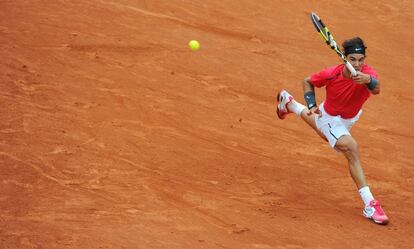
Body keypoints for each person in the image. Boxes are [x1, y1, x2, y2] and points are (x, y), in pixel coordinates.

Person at [276, 37, 389, 225]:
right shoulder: (332, 74)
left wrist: (367, 80)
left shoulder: (368, 73)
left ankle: (290, 105)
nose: (357, 64)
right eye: (352, 59)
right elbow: (307, 81)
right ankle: (371, 204)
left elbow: (376, 89)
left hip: (349, 118)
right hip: (331, 117)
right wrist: (311, 104)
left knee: (326, 135)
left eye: (361, 59)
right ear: (344, 59)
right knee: (351, 148)